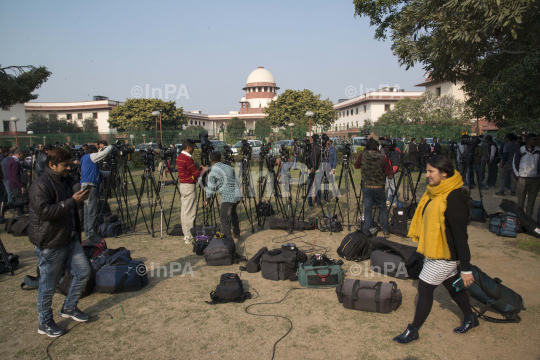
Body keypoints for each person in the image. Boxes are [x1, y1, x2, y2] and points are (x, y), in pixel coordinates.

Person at [393, 156, 476, 344]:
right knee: (451, 285)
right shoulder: (435, 192)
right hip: (434, 250)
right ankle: (471, 317)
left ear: (444, 173)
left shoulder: (454, 197)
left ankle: (413, 330)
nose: (427, 175)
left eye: (431, 171)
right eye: (427, 171)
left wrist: (466, 267)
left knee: (424, 288)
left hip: (445, 254)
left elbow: (461, 236)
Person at [28, 147, 91, 337]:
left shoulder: (65, 182)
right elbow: (44, 212)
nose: (68, 168)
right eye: (64, 165)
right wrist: (72, 201)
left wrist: (79, 191)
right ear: (52, 165)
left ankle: (69, 307)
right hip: (50, 243)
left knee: (84, 272)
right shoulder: (40, 185)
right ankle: (44, 322)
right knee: (47, 286)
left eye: (70, 164)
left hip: (69, 239)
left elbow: (71, 202)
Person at [354, 138, 393, 237]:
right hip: (379, 187)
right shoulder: (382, 158)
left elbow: (356, 166)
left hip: (366, 186)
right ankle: (386, 230)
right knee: (382, 208)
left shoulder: (362, 156)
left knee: (367, 209)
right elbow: (390, 174)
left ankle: (369, 230)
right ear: (377, 147)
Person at [204, 151, 242, 238]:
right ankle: (236, 233)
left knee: (223, 221)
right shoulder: (228, 167)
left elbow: (210, 190)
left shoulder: (213, 172)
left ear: (210, 160)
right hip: (237, 195)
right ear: (220, 159)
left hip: (228, 198)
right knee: (233, 213)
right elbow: (238, 180)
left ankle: (228, 241)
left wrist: (207, 201)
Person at [177, 139, 208, 244]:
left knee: (184, 212)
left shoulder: (179, 157)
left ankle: (186, 234)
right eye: (193, 148)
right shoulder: (187, 158)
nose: (193, 150)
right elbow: (195, 174)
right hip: (189, 186)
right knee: (190, 213)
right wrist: (204, 170)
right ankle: (189, 236)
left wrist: (197, 168)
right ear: (188, 147)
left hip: (183, 185)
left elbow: (188, 170)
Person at [80, 144, 113, 238]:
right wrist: (110, 146)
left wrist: (110, 173)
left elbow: (97, 173)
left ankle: (87, 231)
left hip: (85, 186)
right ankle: (91, 233)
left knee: (87, 211)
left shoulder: (84, 158)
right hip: (90, 187)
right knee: (92, 211)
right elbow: (105, 153)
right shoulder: (91, 156)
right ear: (94, 151)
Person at [512, 133, 540, 217]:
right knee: (520, 200)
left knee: (531, 200)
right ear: (528, 140)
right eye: (534, 139)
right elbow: (515, 164)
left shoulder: (538, 151)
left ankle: (528, 218)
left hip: (535, 178)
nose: (536, 141)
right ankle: (520, 218)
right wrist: (518, 176)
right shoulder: (521, 151)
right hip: (523, 178)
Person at [7, 148, 32, 216]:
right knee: (26, 199)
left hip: (14, 184)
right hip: (16, 185)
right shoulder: (15, 162)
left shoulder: (12, 161)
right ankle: (9, 205)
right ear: (19, 154)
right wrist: (22, 186)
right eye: (23, 156)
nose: (23, 157)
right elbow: (15, 176)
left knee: (19, 200)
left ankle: (19, 214)